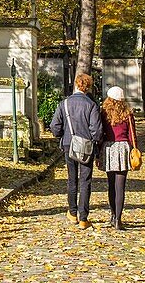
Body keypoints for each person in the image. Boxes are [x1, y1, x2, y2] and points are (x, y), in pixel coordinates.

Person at [51, 73, 104, 229]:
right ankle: (83, 217)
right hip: (86, 145)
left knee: (71, 179)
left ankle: (72, 212)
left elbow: (55, 126)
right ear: (88, 87)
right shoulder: (91, 105)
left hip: (69, 144)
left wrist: (63, 135)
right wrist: (95, 142)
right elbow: (97, 130)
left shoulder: (64, 104)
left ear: (75, 84)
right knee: (85, 181)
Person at [99, 85, 136, 231]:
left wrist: (98, 151)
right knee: (120, 186)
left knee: (111, 184)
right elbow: (132, 134)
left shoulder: (104, 113)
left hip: (109, 148)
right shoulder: (128, 113)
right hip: (123, 148)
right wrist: (134, 149)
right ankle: (118, 220)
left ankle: (113, 215)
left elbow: (100, 133)